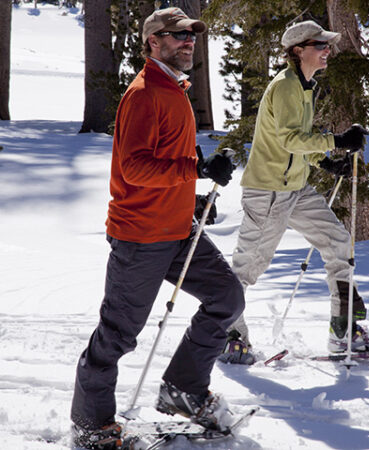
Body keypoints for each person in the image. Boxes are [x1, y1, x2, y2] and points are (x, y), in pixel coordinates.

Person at [70, 8, 244, 448]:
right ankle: (91, 425)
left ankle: (182, 388)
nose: (188, 41)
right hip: (141, 236)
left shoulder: (174, 89)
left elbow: (168, 162)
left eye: (191, 35)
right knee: (118, 335)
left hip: (178, 228)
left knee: (226, 297)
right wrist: (195, 169)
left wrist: (194, 195)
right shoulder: (146, 93)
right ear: (153, 41)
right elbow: (134, 167)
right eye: (178, 35)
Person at [220, 20, 369, 365]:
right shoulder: (287, 85)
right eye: (320, 45)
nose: (327, 51)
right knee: (248, 267)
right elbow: (289, 140)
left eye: (327, 45)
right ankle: (227, 334)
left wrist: (325, 161)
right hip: (269, 191)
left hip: (295, 188)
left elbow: (294, 141)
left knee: (336, 242)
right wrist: (337, 141)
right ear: (298, 50)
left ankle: (343, 329)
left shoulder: (305, 86)